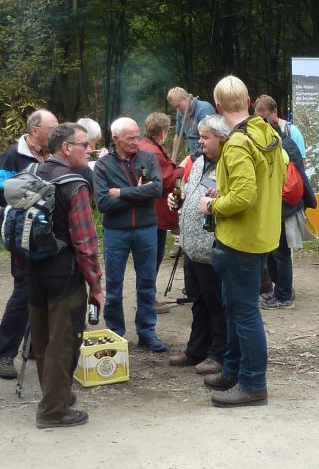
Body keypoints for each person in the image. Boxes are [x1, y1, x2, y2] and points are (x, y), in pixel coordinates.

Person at [197, 75, 285, 407]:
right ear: (248, 102)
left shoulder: (236, 143)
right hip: (262, 233)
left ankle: (253, 384)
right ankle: (232, 369)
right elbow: (272, 177)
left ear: (217, 106)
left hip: (240, 238)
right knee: (233, 307)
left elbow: (245, 195)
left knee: (245, 312)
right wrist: (230, 190)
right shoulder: (268, 133)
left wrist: (213, 204)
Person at [29, 123, 104, 428]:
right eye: (84, 145)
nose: (89, 150)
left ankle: (55, 395)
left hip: (34, 270)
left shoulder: (36, 174)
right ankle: (53, 411)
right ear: (66, 148)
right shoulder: (76, 184)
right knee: (64, 342)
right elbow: (85, 242)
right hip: (64, 274)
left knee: (43, 338)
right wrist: (96, 285)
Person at [0, 109, 58, 379]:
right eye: (51, 128)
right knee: (22, 294)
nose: (55, 133)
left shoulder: (53, 155)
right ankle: (4, 355)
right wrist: (36, 193)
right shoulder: (13, 154)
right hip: (21, 236)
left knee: (44, 291)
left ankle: (32, 347)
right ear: (34, 131)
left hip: (48, 236)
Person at [94, 117, 166, 352]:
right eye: (130, 138)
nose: (137, 142)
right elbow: (103, 202)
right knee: (114, 285)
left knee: (147, 283)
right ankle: (115, 333)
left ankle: (147, 332)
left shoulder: (149, 158)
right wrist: (140, 192)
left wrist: (122, 193)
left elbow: (157, 189)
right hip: (116, 232)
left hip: (147, 229)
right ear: (116, 139)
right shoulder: (103, 165)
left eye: (137, 136)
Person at [167, 115, 229, 374]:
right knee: (198, 301)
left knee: (216, 304)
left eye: (205, 137)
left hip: (212, 247)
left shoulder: (229, 164)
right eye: (200, 136)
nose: (200, 141)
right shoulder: (200, 161)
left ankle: (218, 354)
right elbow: (193, 194)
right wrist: (178, 202)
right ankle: (196, 349)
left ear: (221, 138)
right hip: (192, 246)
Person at [260, 116, 317, 310]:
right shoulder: (285, 145)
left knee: (281, 253)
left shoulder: (279, 151)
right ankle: (282, 291)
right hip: (284, 207)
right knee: (278, 252)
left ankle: (283, 295)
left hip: (283, 208)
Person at [138, 112, 183, 314]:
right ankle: (148, 300)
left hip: (152, 211)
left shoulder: (146, 146)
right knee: (152, 258)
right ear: (163, 131)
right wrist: (180, 171)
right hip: (156, 212)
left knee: (150, 257)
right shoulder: (153, 152)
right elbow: (165, 181)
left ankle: (147, 297)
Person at [167, 87, 216, 162]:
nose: (178, 109)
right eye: (175, 107)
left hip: (207, 156)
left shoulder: (203, 110)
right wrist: (173, 159)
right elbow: (179, 135)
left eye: (178, 105)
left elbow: (212, 138)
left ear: (186, 98)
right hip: (194, 156)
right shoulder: (180, 112)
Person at [253, 94, 307, 161]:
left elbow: (301, 164)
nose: (260, 122)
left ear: (275, 112)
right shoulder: (254, 132)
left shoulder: (292, 131)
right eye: (256, 118)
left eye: (264, 118)